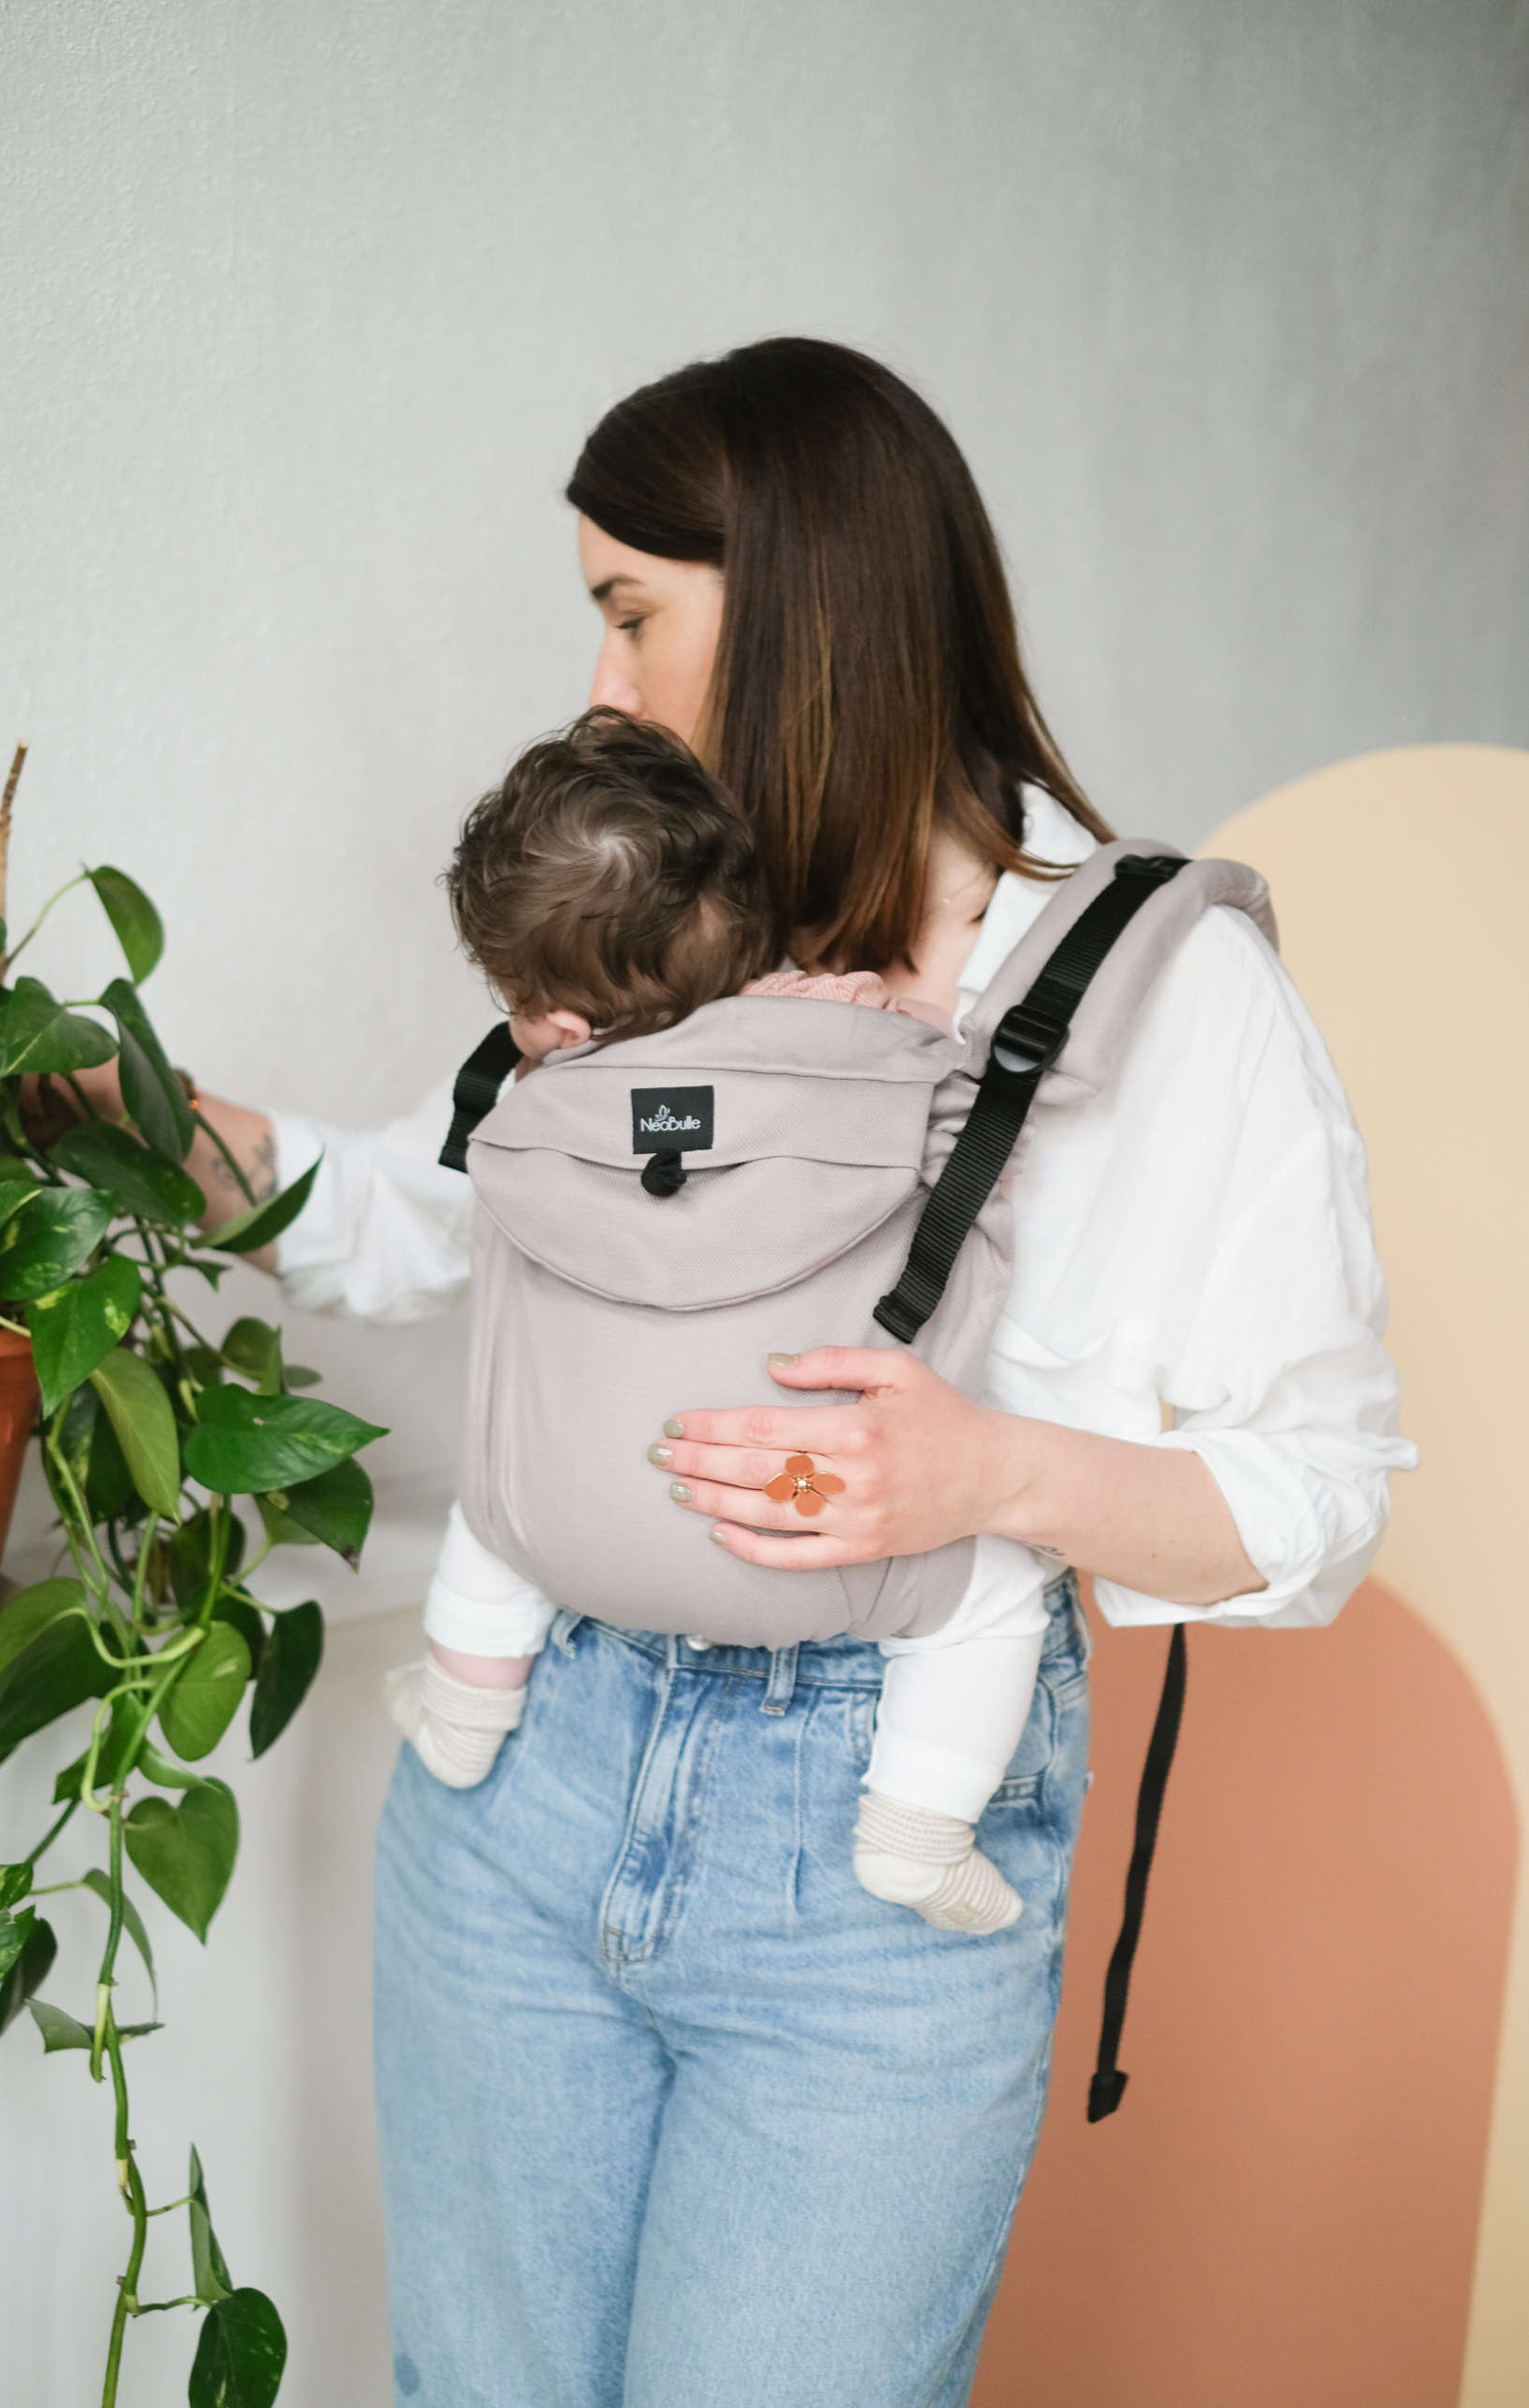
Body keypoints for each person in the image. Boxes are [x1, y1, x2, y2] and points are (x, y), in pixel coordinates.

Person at [146, 339, 1414, 2407]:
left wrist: (979, 1476)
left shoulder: (1167, 989)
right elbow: (412, 1207)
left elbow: (1319, 1492)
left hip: (876, 1852)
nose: (600, 685)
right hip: (521, 1775)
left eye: (630, 612)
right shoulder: (654, 941)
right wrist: (105, 1107)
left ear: (811, 598)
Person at [386, 705, 1055, 1941]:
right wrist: (860, 1034)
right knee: (997, 1586)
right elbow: (984, 1158)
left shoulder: (526, 1105)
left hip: (571, 1534)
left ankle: (467, 1710)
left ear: (562, 1026)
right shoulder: (865, 1054)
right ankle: (916, 1828)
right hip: (823, 1529)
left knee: (494, 1496)